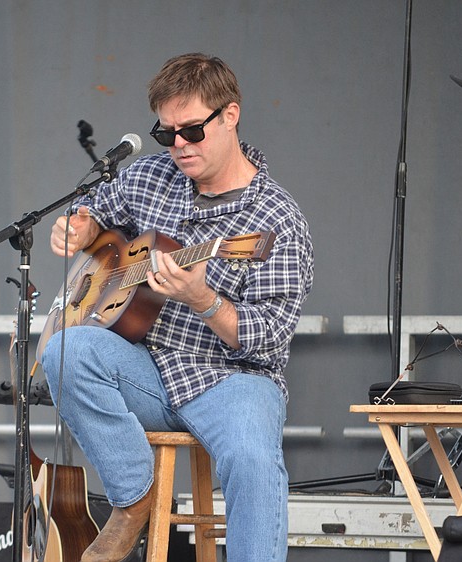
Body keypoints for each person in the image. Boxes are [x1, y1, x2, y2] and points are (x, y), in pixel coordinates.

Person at [41, 53, 313, 562]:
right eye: (166, 134)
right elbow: (98, 218)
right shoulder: (148, 177)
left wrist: (204, 299)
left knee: (254, 459)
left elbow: (270, 337)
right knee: (64, 351)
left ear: (229, 116)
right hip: (146, 367)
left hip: (232, 379)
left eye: (191, 131)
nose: (179, 146)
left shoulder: (277, 218)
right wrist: (80, 229)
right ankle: (132, 499)